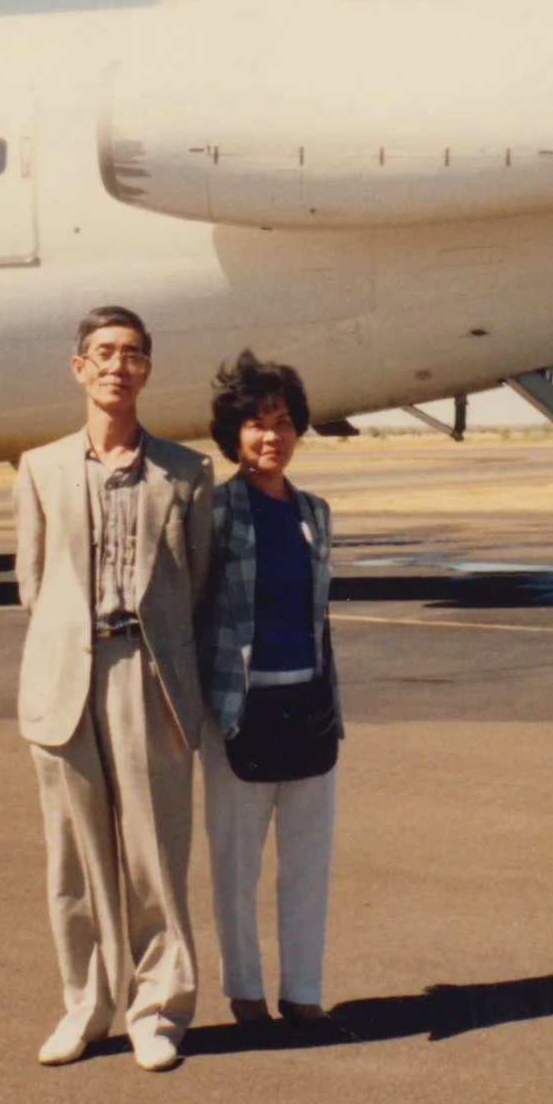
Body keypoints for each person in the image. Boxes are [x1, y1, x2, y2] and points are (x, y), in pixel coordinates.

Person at [11, 306, 214, 1072]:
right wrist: (73, 642)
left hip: (150, 673)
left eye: (131, 353)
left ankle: (159, 1007)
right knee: (73, 854)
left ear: (147, 370)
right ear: (79, 368)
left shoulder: (187, 472)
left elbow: (195, 583)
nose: (116, 366)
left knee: (154, 851)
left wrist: (151, 651)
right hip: (65, 675)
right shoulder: (38, 467)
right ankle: (86, 1005)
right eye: (102, 352)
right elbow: (34, 583)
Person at [198, 352, 346, 1041]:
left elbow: (320, 622)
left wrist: (331, 707)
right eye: (257, 425)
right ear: (234, 435)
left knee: (308, 863)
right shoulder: (214, 511)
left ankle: (305, 992)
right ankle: (247, 993)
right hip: (239, 711)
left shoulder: (316, 512)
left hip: (308, 709)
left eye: (283, 422)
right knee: (236, 864)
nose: (271, 437)